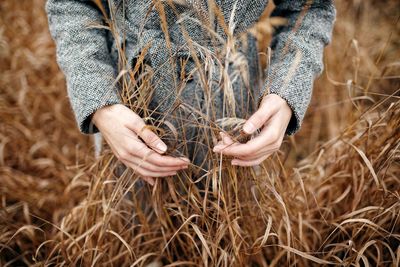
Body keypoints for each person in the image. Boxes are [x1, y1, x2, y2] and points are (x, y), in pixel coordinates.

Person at [46, 0, 336, 186]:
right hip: (128, 108)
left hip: (234, 111)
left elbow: (309, 7)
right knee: (136, 235)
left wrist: (286, 89)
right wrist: (100, 103)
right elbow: (70, 4)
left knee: (231, 229)